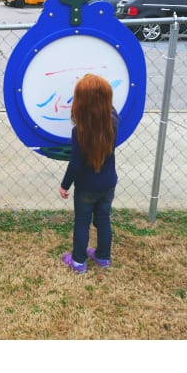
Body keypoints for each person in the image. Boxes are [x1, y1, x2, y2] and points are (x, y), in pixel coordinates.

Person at [59, 74, 118, 274]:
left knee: (82, 222)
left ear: (80, 104)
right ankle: (103, 257)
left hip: (85, 188)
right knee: (103, 219)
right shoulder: (114, 121)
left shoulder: (79, 131)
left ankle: (78, 261)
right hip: (108, 184)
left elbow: (74, 164)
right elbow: (110, 108)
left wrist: (64, 185)